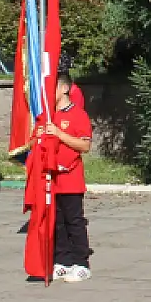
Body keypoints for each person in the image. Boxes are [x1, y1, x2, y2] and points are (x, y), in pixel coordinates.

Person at [45, 70, 95, 281]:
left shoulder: (78, 114)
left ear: (65, 88)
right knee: (57, 222)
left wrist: (59, 133)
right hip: (52, 178)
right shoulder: (49, 115)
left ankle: (81, 263)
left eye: (54, 86)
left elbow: (85, 145)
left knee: (74, 221)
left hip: (71, 178)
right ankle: (63, 260)